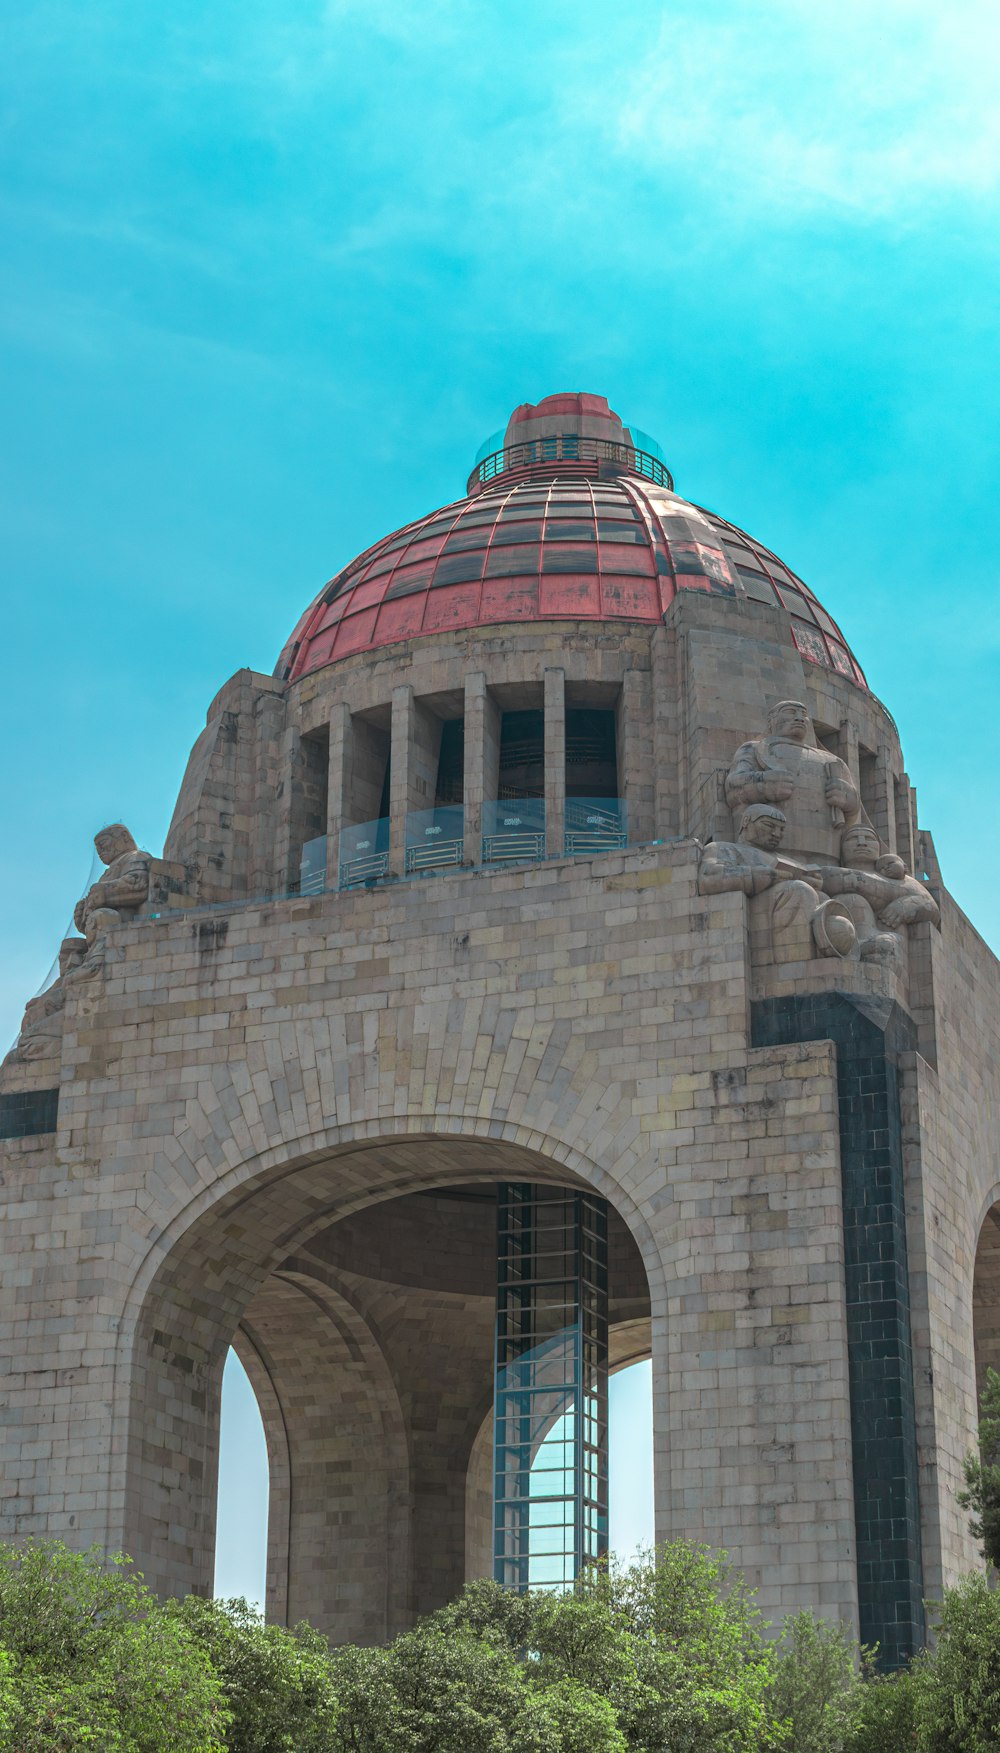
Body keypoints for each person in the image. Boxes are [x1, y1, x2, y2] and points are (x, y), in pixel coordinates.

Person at [698, 804, 856, 960]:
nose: (776, 834)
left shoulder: (782, 858)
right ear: (746, 822)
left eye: (781, 829)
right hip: (756, 910)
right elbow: (709, 877)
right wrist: (761, 875)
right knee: (799, 891)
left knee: (821, 897)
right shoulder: (723, 848)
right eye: (769, 825)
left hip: (782, 903)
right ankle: (795, 962)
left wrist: (814, 881)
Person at [724, 701, 860, 863]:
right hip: (770, 851)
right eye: (790, 712)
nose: (799, 718)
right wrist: (764, 784)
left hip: (827, 853)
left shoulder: (833, 762)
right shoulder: (754, 749)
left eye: (803, 715)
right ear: (771, 721)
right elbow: (733, 788)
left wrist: (847, 798)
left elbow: (853, 815)